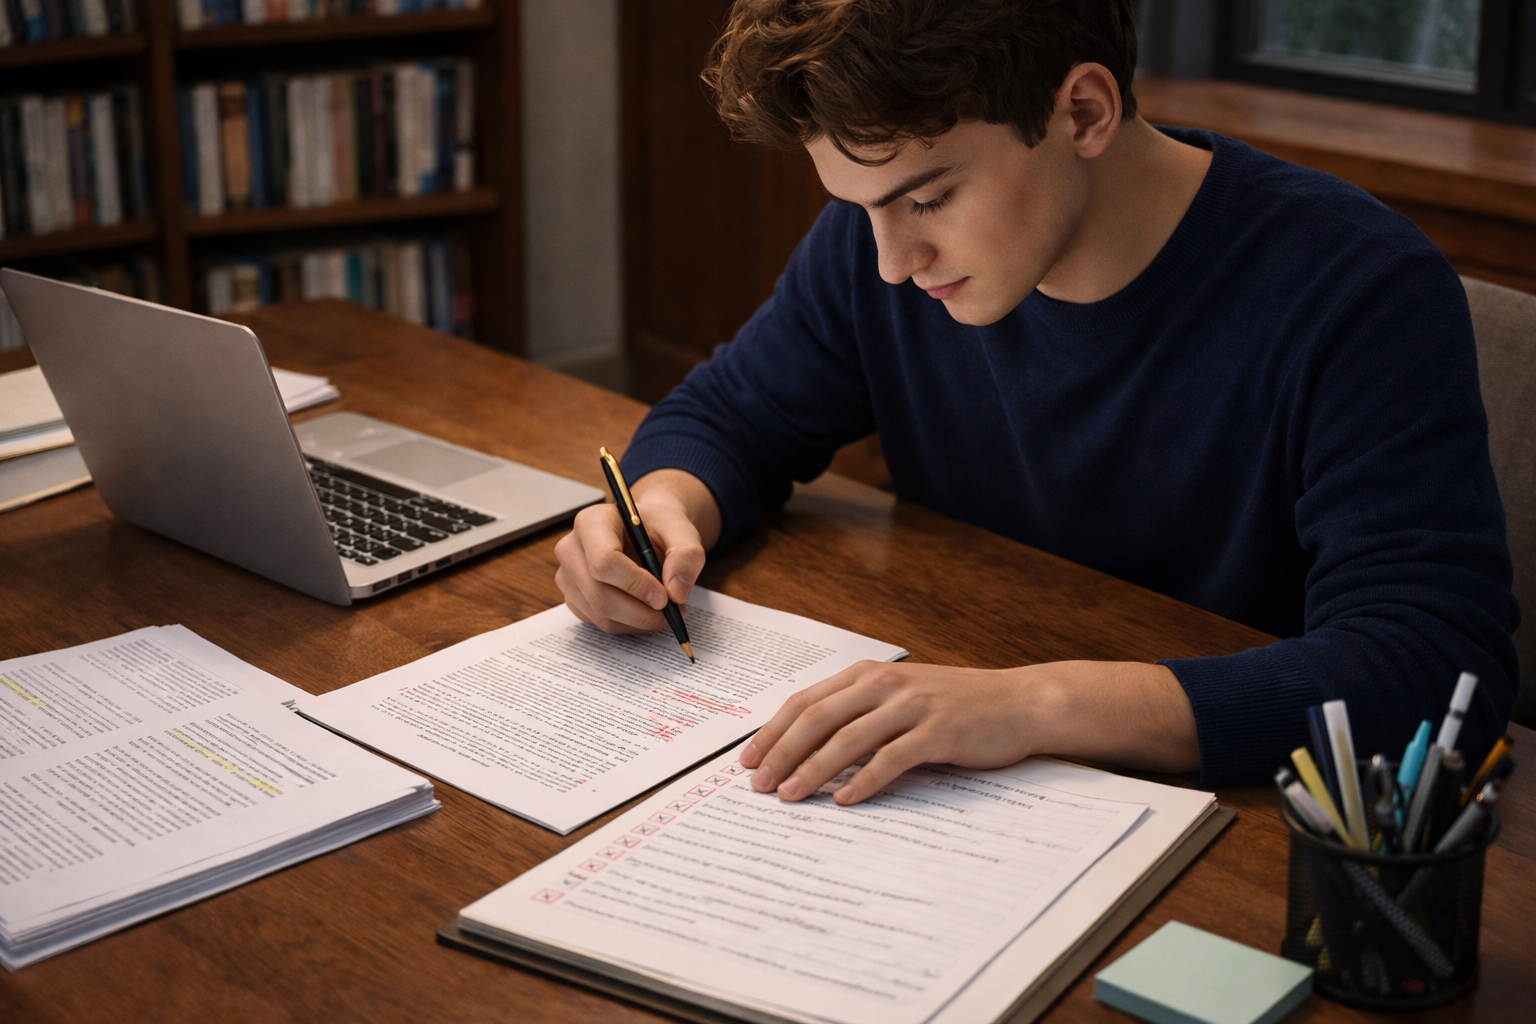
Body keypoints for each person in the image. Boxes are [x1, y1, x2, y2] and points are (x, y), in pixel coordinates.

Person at [554, 0, 1518, 803]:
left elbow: (1431, 666)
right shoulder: (879, 245)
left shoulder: (1358, 290)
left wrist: (1033, 707)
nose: (891, 262)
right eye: (862, 209)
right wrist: (660, 509)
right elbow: (735, 415)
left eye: (926, 200)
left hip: (1246, 826)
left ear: (1085, 112)